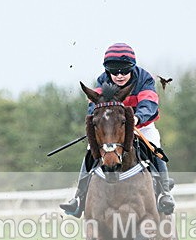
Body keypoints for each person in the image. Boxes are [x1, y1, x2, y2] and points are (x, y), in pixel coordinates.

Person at [60, 43, 175, 217]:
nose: (119, 76)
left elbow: (149, 103)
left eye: (124, 71)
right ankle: (79, 198)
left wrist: (137, 118)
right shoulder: (102, 81)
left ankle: (165, 193)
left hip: (141, 125)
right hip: (112, 129)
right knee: (91, 150)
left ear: (132, 67)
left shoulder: (145, 79)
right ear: (107, 71)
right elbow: (94, 107)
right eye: (114, 72)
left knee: (154, 147)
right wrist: (98, 124)